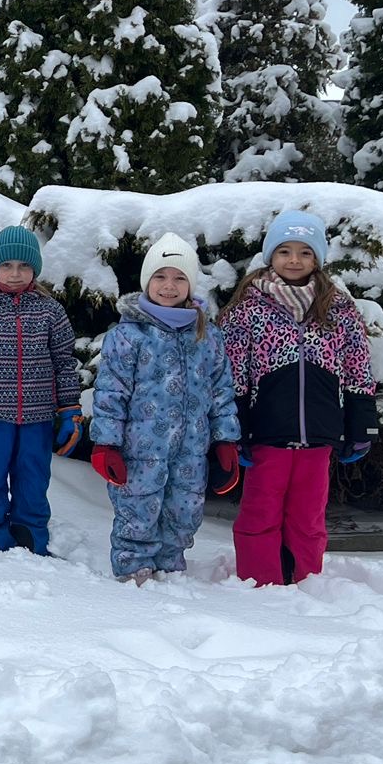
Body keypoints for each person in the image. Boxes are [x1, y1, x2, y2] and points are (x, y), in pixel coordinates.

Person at [218, 211, 376, 586]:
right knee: (261, 511)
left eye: (305, 252)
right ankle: (261, 583)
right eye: (284, 251)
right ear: (270, 256)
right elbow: (232, 371)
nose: (294, 260)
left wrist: (361, 422)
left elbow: (357, 365)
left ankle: (306, 582)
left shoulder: (337, 307)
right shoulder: (248, 307)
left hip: (318, 434)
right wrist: (233, 428)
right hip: (265, 432)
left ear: (317, 259)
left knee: (308, 516)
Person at [88, 233, 242, 584]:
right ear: (146, 281)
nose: (169, 286)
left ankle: (171, 566)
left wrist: (225, 440)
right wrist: (106, 444)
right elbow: (111, 392)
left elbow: (220, 391)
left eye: (179, 278)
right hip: (139, 450)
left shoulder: (207, 335)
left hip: (191, 450)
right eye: (160, 276)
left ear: (190, 285)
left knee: (183, 511)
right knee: (138, 509)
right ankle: (133, 570)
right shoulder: (128, 335)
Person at [0, 225, 82, 555]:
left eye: (24, 266)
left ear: (35, 268)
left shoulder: (51, 311)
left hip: (36, 418)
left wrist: (70, 412)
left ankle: (30, 535)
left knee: (33, 481)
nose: (16, 274)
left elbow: (65, 363)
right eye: (7, 266)